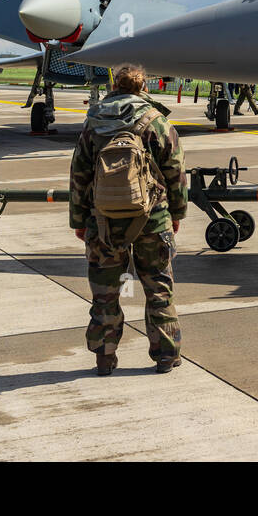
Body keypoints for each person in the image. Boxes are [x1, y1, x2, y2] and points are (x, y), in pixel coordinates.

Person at [69, 64, 186, 376]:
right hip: (152, 219)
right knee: (159, 288)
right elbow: (175, 172)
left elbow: (79, 174)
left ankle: (104, 358)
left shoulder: (93, 123)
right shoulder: (156, 121)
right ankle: (165, 355)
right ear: (143, 86)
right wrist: (176, 214)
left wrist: (79, 219)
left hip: (103, 220)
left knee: (105, 292)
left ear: (115, 86)